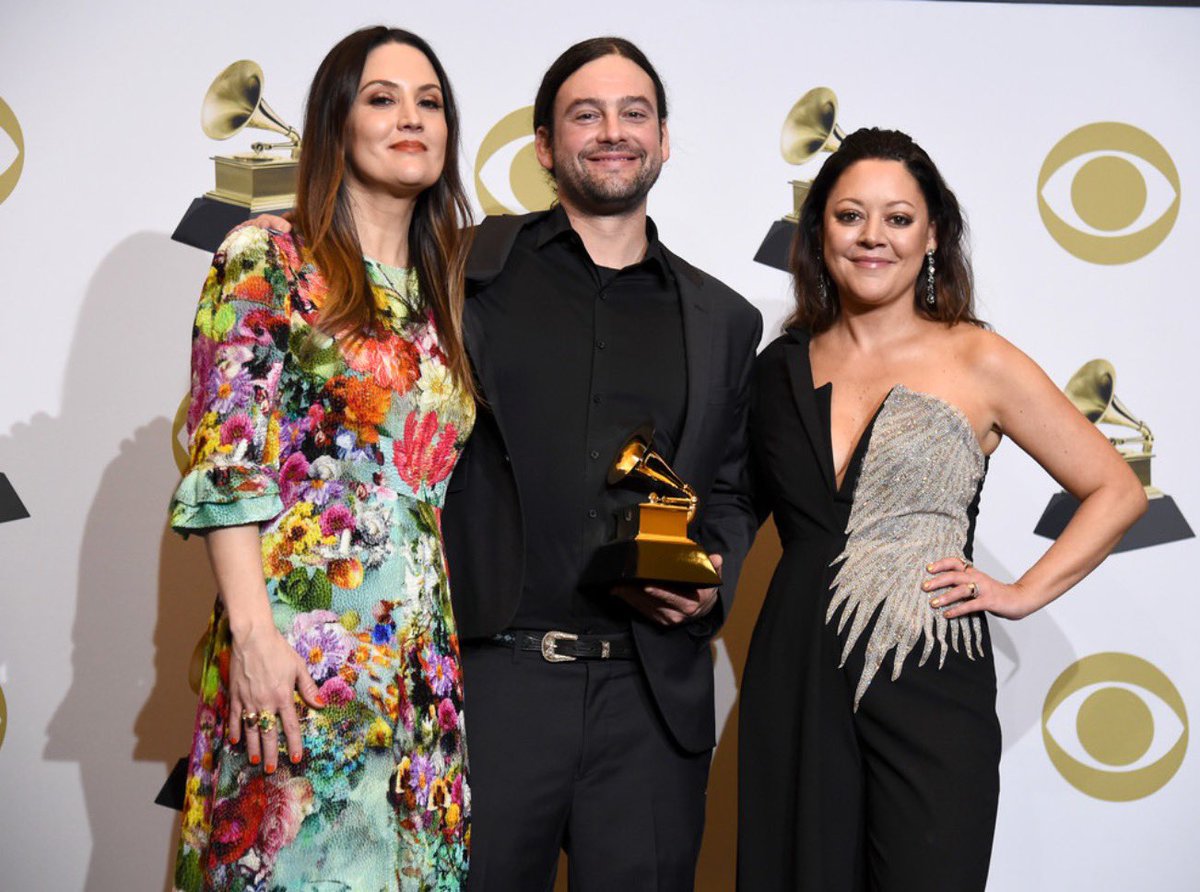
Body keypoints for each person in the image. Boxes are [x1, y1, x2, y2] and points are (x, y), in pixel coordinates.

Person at [737, 128, 1146, 891]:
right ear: (819, 228)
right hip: (795, 676)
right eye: (850, 215)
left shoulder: (977, 358)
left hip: (929, 674)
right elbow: (731, 513)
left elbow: (1116, 490)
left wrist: (1021, 592)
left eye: (898, 218)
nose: (872, 237)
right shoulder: (775, 370)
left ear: (932, 235)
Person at [442, 38, 761, 890]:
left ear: (662, 139)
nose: (612, 132)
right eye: (586, 114)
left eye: (634, 114)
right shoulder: (460, 272)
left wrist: (713, 580)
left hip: (651, 702)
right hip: (491, 684)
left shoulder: (725, 319)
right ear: (544, 143)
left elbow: (730, 489)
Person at [169, 27, 475, 891]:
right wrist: (256, 639)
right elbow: (230, 467)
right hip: (300, 656)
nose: (410, 118)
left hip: (421, 670)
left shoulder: (446, 290)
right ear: (337, 124)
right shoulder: (267, 254)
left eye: (430, 102)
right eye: (382, 98)